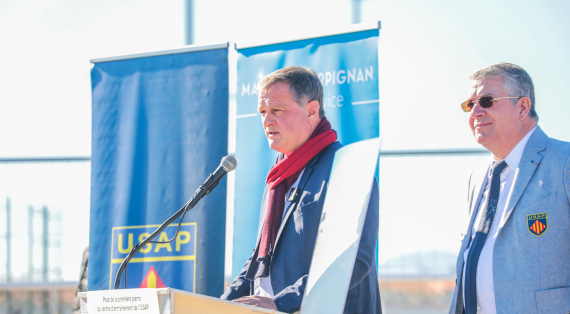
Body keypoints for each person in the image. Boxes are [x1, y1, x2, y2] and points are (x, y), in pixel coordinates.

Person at [221, 66, 382, 313]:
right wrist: (223, 302)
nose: (267, 120)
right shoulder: (277, 176)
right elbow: (262, 256)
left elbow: (353, 260)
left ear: (311, 111)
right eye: (262, 112)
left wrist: (282, 302)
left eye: (277, 110)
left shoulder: (348, 167)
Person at [449, 62, 570, 314]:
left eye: (487, 100)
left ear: (523, 107)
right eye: (470, 105)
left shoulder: (564, 161)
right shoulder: (477, 177)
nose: (475, 113)